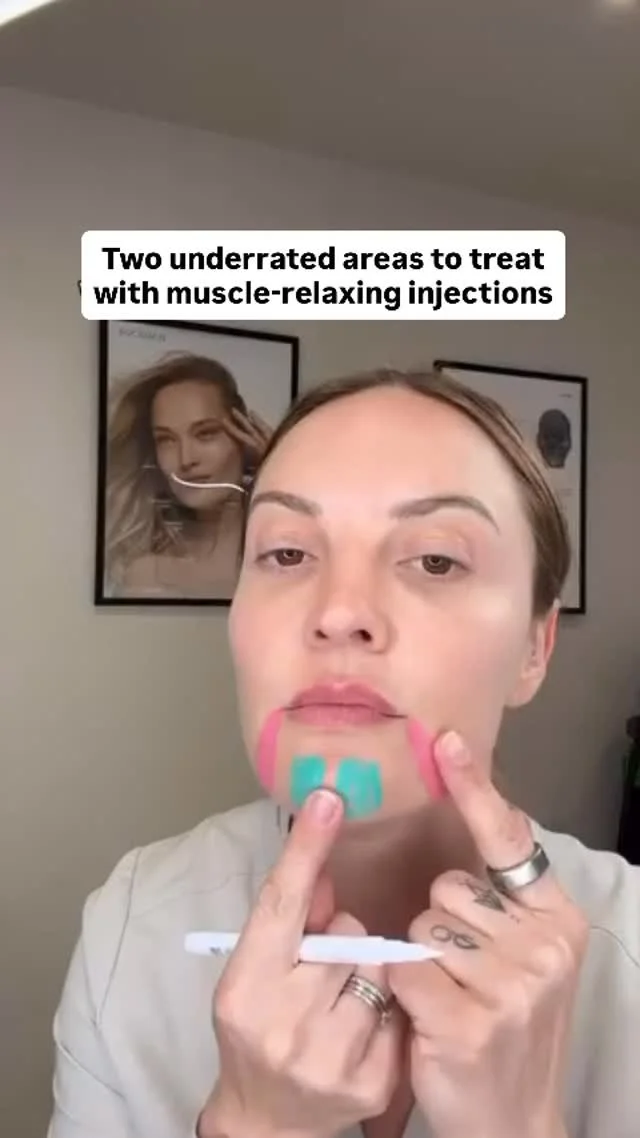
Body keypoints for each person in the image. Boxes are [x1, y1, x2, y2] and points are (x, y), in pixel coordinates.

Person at [49, 369, 639, 1138]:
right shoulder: (133, 928)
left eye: (436, 560)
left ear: (535, 647)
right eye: (287, 553)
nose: (338, 613)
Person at [105, 352, 271, 598]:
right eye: (166, 440)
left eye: (206, 434)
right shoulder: (147, 574)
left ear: (245, 436)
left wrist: (279, 470)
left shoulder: (284, 556)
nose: (186, 459)